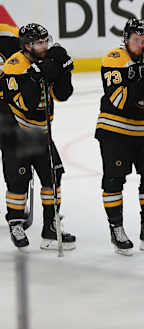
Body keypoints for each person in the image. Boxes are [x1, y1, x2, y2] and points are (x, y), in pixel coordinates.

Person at [2, 23, 75, 250]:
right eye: (39, 43)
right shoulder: (14, 66)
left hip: (42, 133)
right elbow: (27, 105)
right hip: (19, 132)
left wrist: (63, 71)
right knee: (18, 181)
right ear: (26, 46)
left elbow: (62, 95)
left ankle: (50, 226)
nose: (44, 46)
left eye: (46, 41)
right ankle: (15, 222)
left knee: (53, 176)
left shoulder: (42, 61)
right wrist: (39, 73)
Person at [95, 17, 144, 256]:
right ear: (126, 40)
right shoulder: (114, 59)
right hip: (115, 131)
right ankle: (116, 228)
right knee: (114, 180)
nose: (141, 45)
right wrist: (143, 77)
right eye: (136, 40)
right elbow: (120, 100)